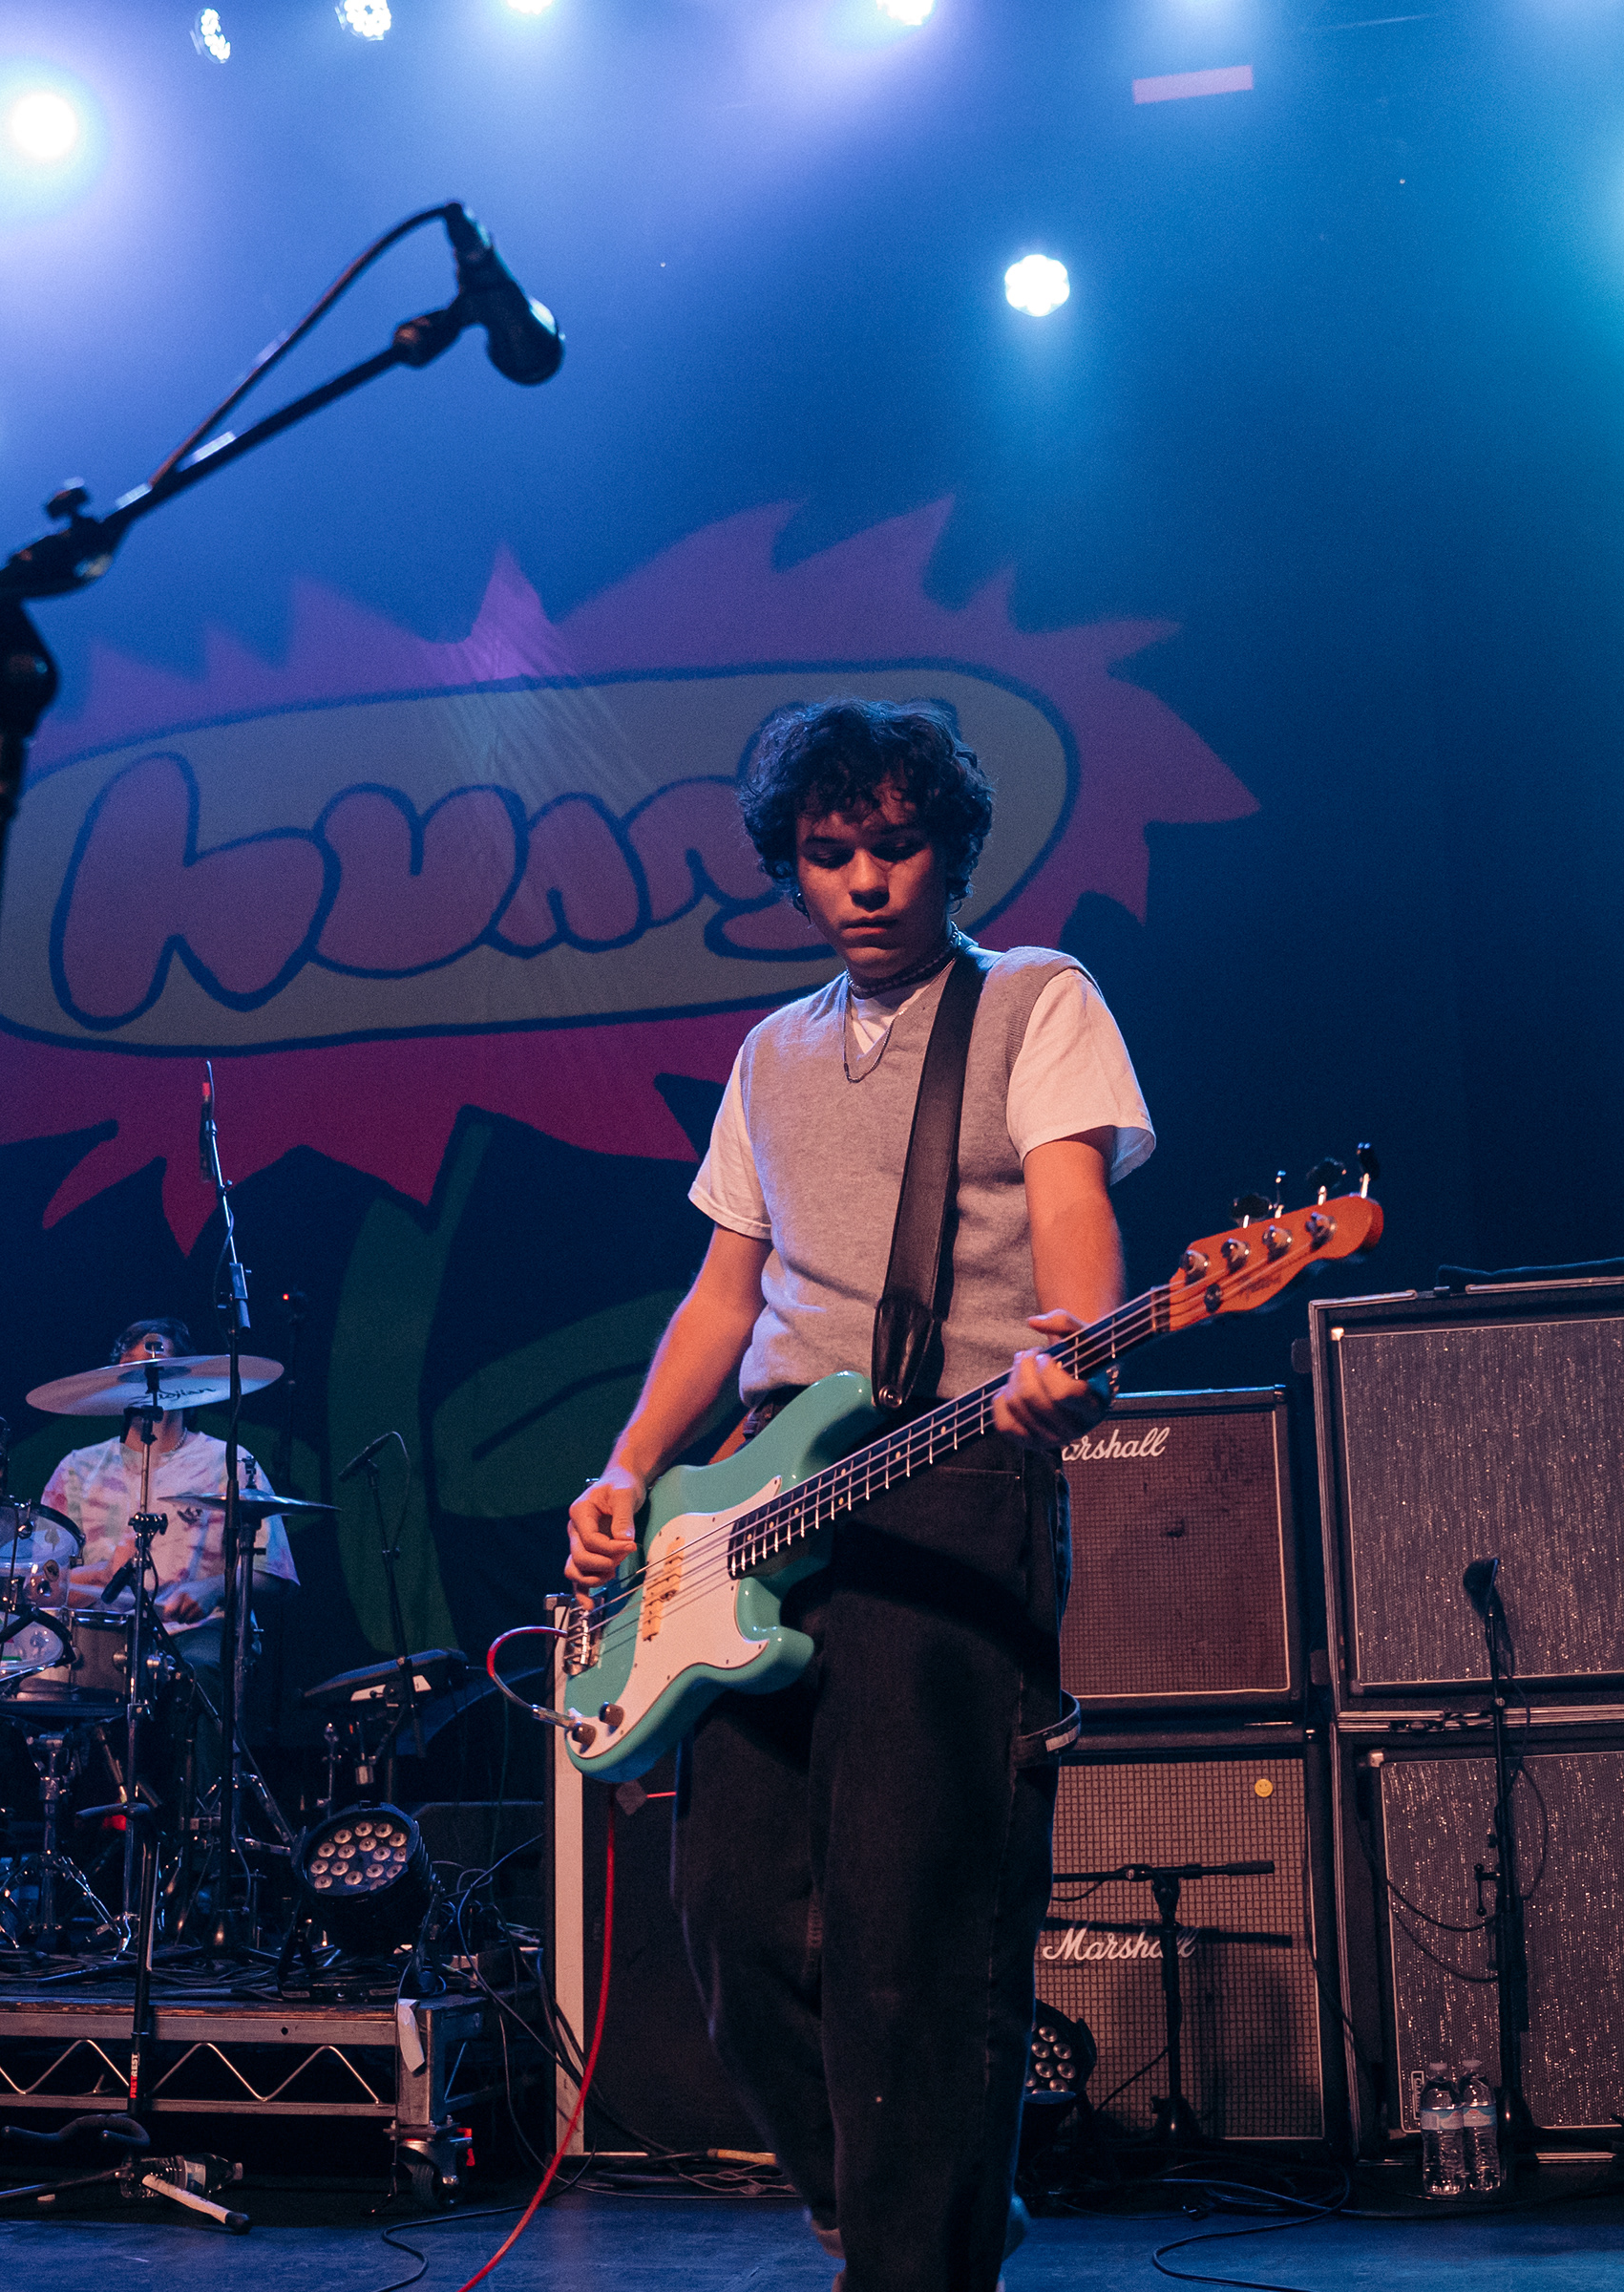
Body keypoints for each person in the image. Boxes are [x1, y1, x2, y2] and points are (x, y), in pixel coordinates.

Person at [566, 698, 1152, 2292]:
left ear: (950, 852)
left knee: (911, 1931)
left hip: (950, 1479)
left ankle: (912, 2265)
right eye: (830, 854)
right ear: (793, 868)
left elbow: (1072, 1207)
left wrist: (1073, 1348)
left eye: (895, 846)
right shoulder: (770, 1052)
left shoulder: (1034, 998)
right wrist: (629, 1467)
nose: (867, 881)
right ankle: (913, 2210)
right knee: (732, 1923)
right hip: (758, 1519)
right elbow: (723, 1295)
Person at [37, 1317, 300, 1624]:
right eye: (131, 1370)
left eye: (158, 1368)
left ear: (187, 1381)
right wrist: (104, 1574)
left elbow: (275, 1575)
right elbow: (39, 1587)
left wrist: (214, 1588)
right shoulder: (77, 1470)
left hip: (198, 1632)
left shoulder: (230, 1462)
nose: (146, 1378)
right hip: (99, 1638)